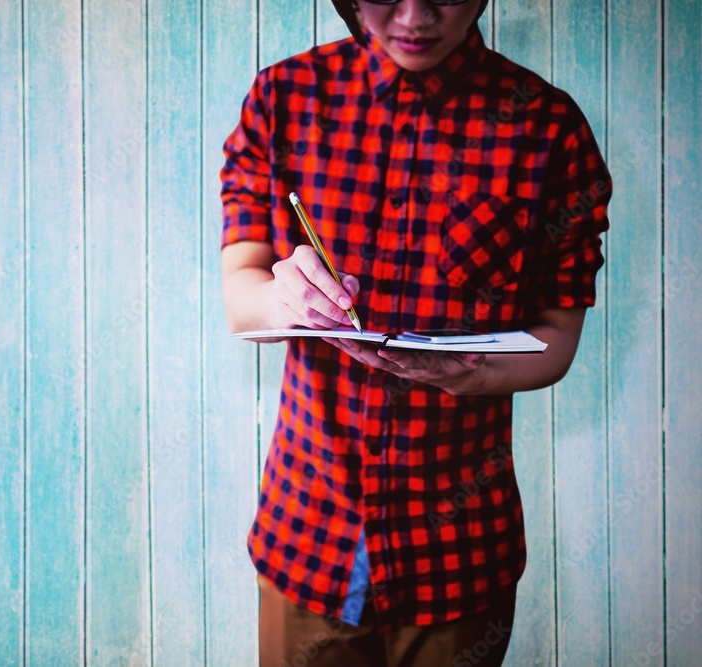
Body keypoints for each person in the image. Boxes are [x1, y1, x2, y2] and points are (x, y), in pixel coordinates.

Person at [218, 0, 611, 664]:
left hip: (459, 554)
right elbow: (241, 294)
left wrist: (479, 373)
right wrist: (286, 296)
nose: (413, 17)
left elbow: (557, 335)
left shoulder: (548, 127)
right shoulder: (284, 98)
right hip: (309, 530)